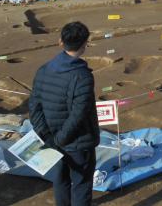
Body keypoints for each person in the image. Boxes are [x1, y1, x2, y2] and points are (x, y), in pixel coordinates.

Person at [29, 22, 100, 206]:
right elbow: (79, 115)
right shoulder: (82, 76)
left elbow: (34, 107)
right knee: (81, 184)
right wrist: (59, 140)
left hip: (51, 139)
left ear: (60, 41)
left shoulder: (44, 69)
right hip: (78, 142)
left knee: (60, 180)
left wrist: (47, 136)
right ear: (85, 44)